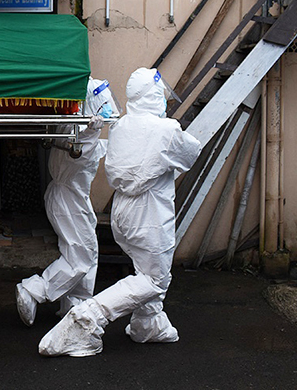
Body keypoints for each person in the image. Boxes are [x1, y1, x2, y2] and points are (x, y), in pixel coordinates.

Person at [38, 67, 202, 357]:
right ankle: (87, 317)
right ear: (154, 95)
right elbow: (191, 152)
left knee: (144, 269)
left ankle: (148, 325)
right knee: (154, 279)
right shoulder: (165, 130)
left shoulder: (121, 126)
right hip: (149, 214)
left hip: (122, 212)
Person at [15, 77, 117, 326]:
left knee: (86, 252)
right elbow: (80, 153)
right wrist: (92, 131)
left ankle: (76, 306)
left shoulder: (72, 131)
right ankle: (34, 290)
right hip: (67, 199)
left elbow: (95, 148)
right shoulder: (78, 137)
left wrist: (95, 132)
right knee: (81, 257)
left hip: (71, 198)